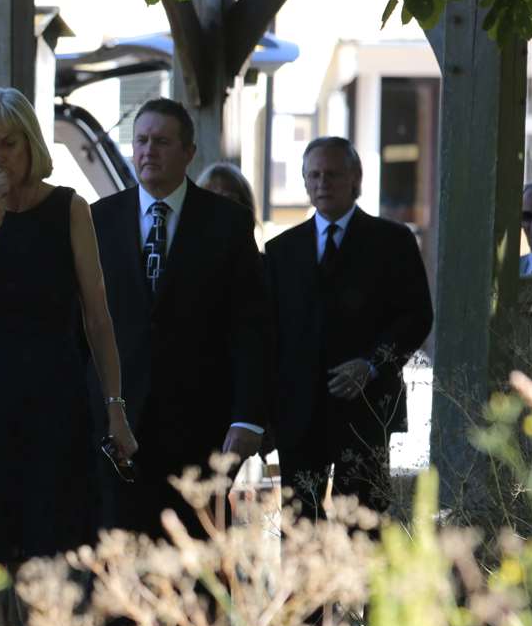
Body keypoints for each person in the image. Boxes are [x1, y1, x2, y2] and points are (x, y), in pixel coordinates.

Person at [0, 87, 136, 626]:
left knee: (45, 551)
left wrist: (116, 407)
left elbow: (98, 317)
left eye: (9, 144)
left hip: (52, 397)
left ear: (30, 143)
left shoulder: (69, 207)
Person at [90, 98, 269, 538]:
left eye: (162, 142)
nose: (149, 151)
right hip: (117, 423)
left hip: (200, 425)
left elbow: (251, 327)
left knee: (193, 566)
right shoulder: (99, 219)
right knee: (118, 565)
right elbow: (82, 321)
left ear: (189, 152)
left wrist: (247, 417)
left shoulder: (227, 222)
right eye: (142, 141)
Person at [264, 136, 434, 518]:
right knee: (299, 530)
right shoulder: (280, 251)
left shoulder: (393, 241)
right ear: (305, 183)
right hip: (299, 414)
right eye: (315, 175)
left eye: (334, 174)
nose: (323, 183)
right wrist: (267, 415)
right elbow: (268, 336)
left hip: (367, 411)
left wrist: (372, 364)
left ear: (356, 179)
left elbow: (417, 316)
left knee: (362, 526)